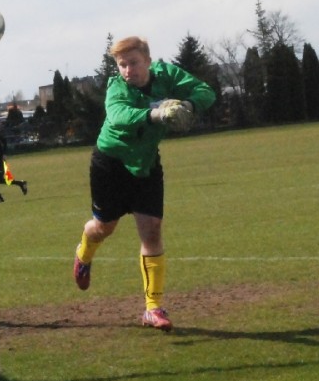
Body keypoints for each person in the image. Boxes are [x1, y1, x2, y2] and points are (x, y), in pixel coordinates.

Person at [72, 35, 215, 332]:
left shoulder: (167, 75)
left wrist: (187, 105)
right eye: (122, 65)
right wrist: (157, 113)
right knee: (103, 227)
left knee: (151, 229)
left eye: (134, 63)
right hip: (110, 164)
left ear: (148, 61)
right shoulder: (117, 87)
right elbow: (119, 116)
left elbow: (206, 92)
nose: (128, 70)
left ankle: (153, 308)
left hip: (146, 162)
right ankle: (84, 254)